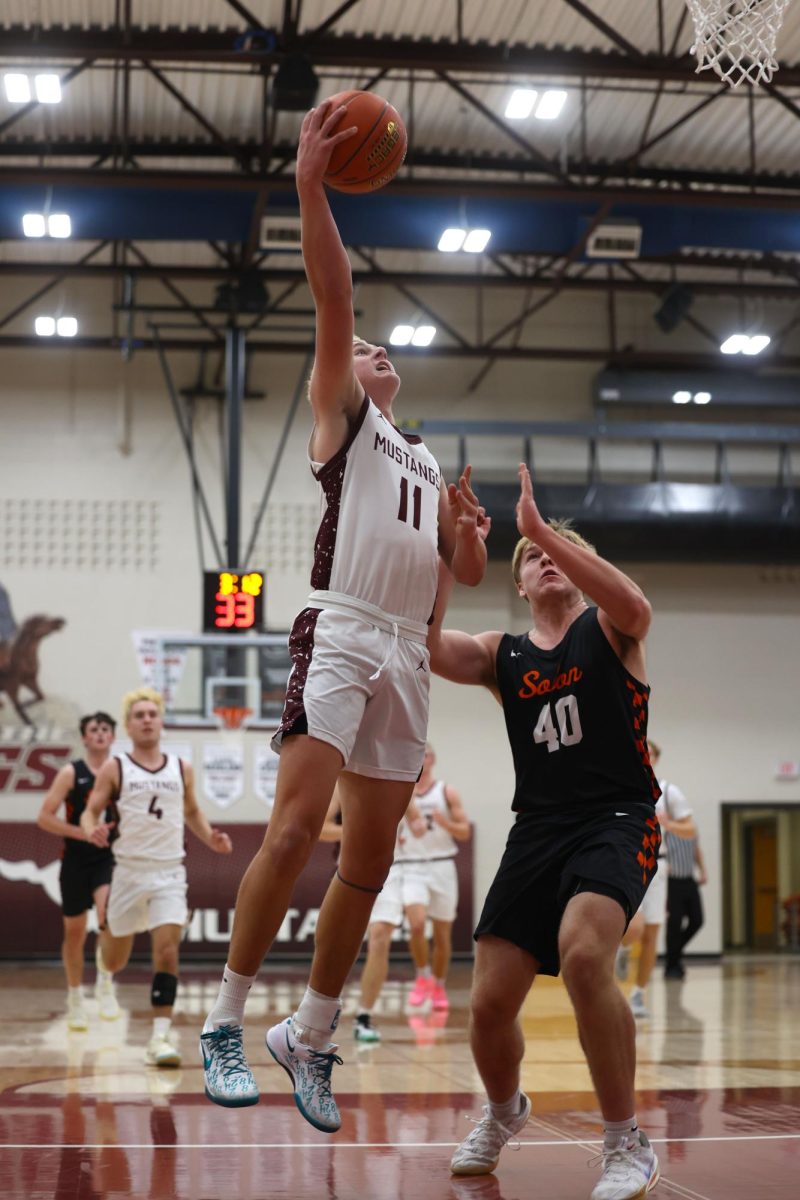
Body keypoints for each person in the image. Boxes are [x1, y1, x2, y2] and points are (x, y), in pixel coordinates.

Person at [199, 96, 487, 1127]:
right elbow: (333, 294)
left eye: (375, 348)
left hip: (405, 651)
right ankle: (226, 1020)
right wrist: (310, 187)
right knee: (289, 833)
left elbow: (450, 584)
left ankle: (309, 1038)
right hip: (341, 627)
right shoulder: (344, 422)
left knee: (367, 864)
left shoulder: (424, 455)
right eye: (359, 348)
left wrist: (464, 543)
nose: (370, 350)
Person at [427, 463, 661, 1200]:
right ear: (520, 587)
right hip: (538, 830)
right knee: (490, 1001)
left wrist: (537, 529)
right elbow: (430, 648)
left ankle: (626, 1142)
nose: (545, 558)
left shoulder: (608, 627)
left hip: (617, 817)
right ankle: (503, 1113)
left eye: (559, 550)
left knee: (586, 956)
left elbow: (637, 603)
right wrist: (447, 546)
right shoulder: (504, 654)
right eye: (531, 558)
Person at [81, 687, 232, 1067]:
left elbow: (193, 812)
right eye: (139, 715)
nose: (147, 719)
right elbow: (90, 812)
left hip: (169, 872)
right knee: (115, 962)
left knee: (167, 950)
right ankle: (105, 957)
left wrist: (211, 837)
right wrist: (90, 828)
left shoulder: (182, 767)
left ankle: (160, 1038)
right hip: (129, 873)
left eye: (153, 713)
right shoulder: (116, 767)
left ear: (161, 722)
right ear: (129, 726)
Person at [318, 787, 425, 1045]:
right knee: (336, 944)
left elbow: (417, 824)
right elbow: (322, 830)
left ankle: (364, 1015)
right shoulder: (342, 786)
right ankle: (318, 1012)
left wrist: (418, 825)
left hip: (390, 871)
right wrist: (357, 832)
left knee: (380, 938)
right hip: (349, 869)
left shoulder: (403, 785)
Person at [36, 710, 119, 1030]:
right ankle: (74, 998)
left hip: (107, 859)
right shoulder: (72, 772)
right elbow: (44, 817)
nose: (99, 733)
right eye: (93, 729)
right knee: (73, 933)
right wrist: (82, 831)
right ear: (85, 738)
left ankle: (106, 984)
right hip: (74, 860)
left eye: (105, 729)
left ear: (112, 737)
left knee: (107, 916)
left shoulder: (119, 771)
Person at [616, 739, 695, 1015]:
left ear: (656, 758)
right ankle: (623, 949)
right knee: (631, 927)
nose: (644, 756)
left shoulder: (668, 791)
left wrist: (668, 823)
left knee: (651, 934)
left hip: (657, 866)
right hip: (625, 863)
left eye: (650, 753)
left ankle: (638, 995)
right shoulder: (618, 785)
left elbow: (690, 829)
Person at [403, 744, 471, 1014]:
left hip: (442, 865)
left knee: (443, 935)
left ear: (432, 760)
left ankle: (439, 984)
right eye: (418, 755)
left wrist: (446, 824)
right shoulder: (402, 791)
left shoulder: (446, 791)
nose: (422, 759)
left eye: (426, 755)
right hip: (410, 866)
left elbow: (464, 831)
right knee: (417, 924)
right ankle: (422, 975)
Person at [663, 769, 707, 979]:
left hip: (689, 879)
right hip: (672, 881)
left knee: (697, 920)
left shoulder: (690, 828)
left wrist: (703, 870)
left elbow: (696, 849)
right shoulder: (666, 829)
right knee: (675, 923)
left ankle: (675, 955)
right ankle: (672, 966)